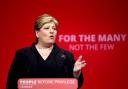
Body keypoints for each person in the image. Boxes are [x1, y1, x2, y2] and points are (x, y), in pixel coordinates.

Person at [6, 14, 86, 89]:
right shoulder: (23, 54)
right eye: (47, 28)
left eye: (54, 28)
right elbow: (11, 84)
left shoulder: (67, 55)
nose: (52, 31)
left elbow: (75, 85)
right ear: (37, 33)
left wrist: (76, 74)